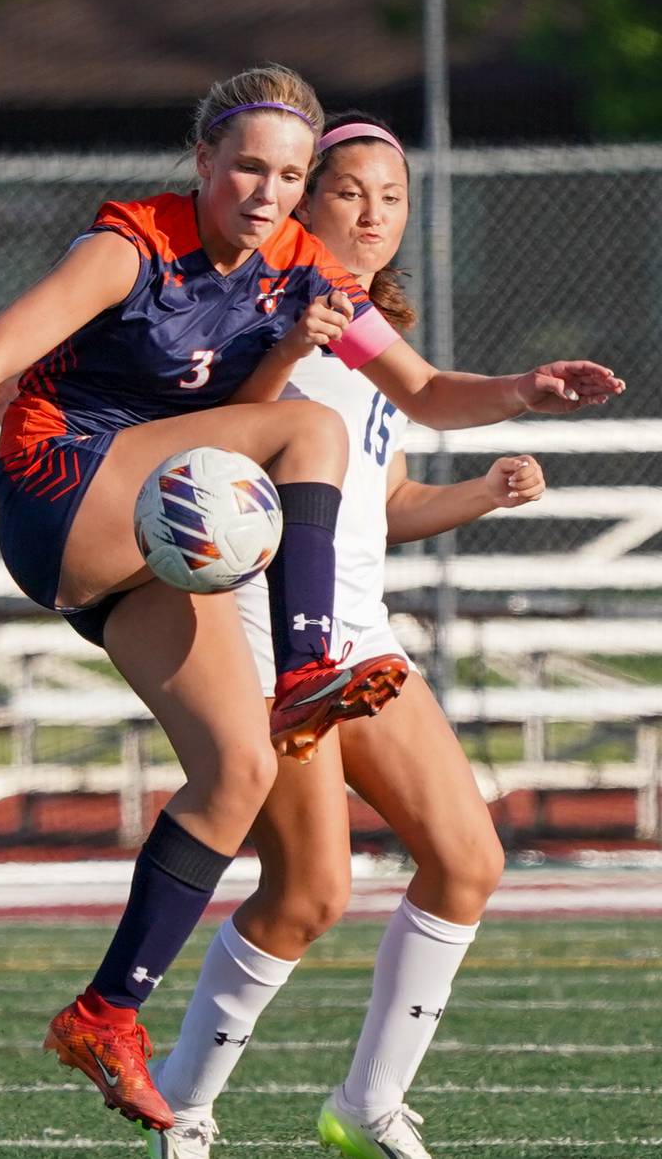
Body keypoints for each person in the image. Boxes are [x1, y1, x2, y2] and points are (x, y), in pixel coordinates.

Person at [0, 66, 622, 1140]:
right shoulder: (134, 241)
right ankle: (307, 660)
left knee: (232, 777)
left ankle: (105, 1012)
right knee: (306, 436)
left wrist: (518, 391)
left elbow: (418, 392)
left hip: (141, 555)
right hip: (66, 490)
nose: (269, 191)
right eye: (251, 168)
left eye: (286, 173)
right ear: (202, 163)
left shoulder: (301, 270)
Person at [140, 114, 593, 1159]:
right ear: (303, 201)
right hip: (261, 641)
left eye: (390, 197)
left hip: (360, 636)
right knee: (307, 895)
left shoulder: (366, 332)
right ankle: (183, 1109)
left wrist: (485, 480)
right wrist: (285, 347)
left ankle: (364, 1106)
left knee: (467, 859)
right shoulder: (255, 306)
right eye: (348, 192)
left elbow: (380, 499)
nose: (373, 213)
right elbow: (208, 446)